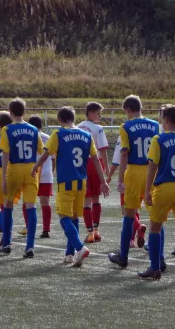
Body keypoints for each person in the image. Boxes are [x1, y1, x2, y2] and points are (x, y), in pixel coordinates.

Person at [31, 106, 110, 266]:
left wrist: (35, 167)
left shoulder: (59, 134)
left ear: (60, 120)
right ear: (73, 119)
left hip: (66, 182)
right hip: (82, 183)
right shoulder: (87, 135)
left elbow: (45, 154)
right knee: (74, 218)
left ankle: (80, 248)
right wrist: (103, 182)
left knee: (63, 217)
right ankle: (69, 254)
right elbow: (95, 159)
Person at [141, 104, 175, 282]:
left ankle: (155, 268)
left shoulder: (159, 139)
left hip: (164, 187)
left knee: (155, 228)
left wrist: (147, 190)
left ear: (165, 120)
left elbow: (152, 166)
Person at [108, 95, 160, 268]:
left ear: (128, 110)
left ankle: (123, 257)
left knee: (129, 215)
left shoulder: (126, 126)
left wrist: (120, 180)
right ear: (141, 108)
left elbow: (124, 153)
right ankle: (159, 257)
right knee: (156, 217)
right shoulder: (155, 125)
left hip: (134, 172)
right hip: (152, 171)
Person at [0, 98, 44, 258]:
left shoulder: (7, 129)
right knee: (31, 206)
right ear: (24, 112)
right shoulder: (33, 129)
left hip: (15, 168)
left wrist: (3, 178)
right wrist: (38, 169)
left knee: (8, 205)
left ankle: (7, 243)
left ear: (10, 113)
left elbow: (5, 154)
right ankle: (30, 246)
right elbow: (41, 151)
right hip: (31, 168)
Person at [77, 102, 109, 243]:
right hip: (95, 163)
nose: (99, 116)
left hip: (81, 165)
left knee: (86, 199)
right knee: (96, 198)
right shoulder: (98, 128)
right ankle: (96, 230)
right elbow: (102, 150)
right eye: (97, 113)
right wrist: (106, 168)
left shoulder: (77, 127)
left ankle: (90, 232)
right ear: (90, 113)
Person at [107, 136, 142, 248]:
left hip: (129, 175)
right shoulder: (148, 129)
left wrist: (109, 176)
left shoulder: (125, 133)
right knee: (135, 209)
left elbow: (118, 158)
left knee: (126, 210)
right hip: (143, 175)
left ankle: (139, 227)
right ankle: (132, 240)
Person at [28, 115, 54, 239]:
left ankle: (28, 227)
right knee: (45, 203)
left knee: (28, 201)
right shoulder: (49, 137)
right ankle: (46, 230)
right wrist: (51, 171)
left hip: (32, 172)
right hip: (46, 174)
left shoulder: (30, 136)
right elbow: (54, 158)